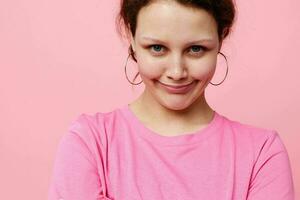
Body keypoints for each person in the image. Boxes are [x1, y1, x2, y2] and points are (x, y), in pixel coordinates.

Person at [48, 0, 295, 199]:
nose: (176, 72)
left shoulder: (262, 153)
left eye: (196, 49)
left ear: (220, 39)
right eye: (157, 48)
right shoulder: (90, 142)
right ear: (132, 39)